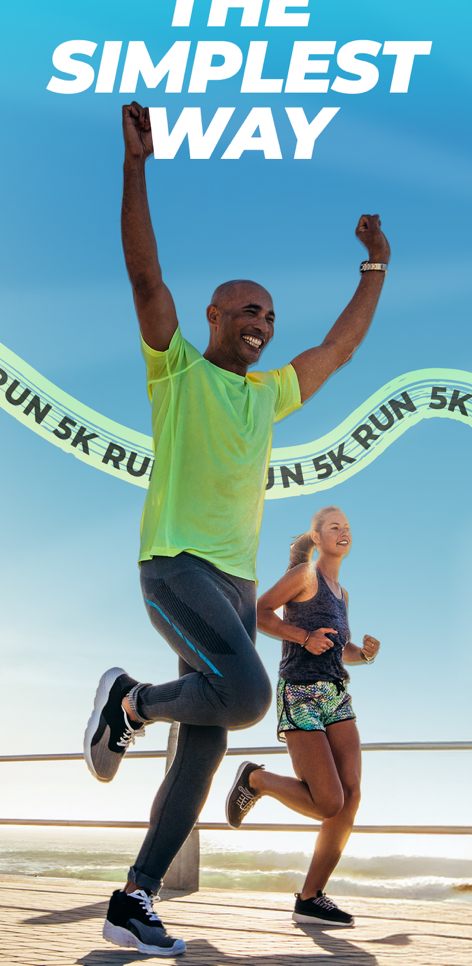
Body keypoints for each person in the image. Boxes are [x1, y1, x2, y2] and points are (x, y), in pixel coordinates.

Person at [83, 100, 390, 956]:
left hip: (232, 583)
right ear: (214, 316)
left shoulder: (268, 396)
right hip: (174, 569)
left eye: (268, 316)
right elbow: (146, 279)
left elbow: (338, 350)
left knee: (208, 743)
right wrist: (135, 167)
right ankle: (129, 700)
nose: (260, 322)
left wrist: (374, 269)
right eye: (245, 310)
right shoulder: (176, 369)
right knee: (251, 694)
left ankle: (134, 897)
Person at [225, 506, 380, 928]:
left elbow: (337, 648)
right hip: (300, 692)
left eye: (348, 527)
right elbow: (258, 613)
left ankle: (311, 897)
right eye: (335, 527)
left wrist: (362, 655)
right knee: (328, 801)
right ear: (316, 536)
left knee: (351, 797)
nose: (344, 532)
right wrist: (301, 636)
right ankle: (255, 779)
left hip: (336, 695)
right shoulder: (304, 576)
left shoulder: (342, 593)